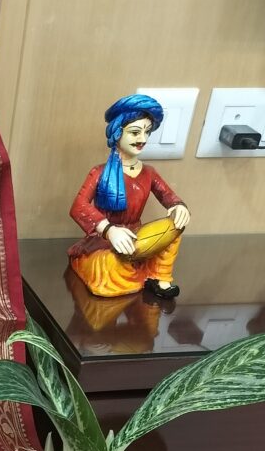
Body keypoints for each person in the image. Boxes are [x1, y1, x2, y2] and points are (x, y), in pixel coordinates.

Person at [68, 93, 190, 298]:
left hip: (138, 236)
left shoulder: (149, 172)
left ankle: (159, 276)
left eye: (147, 132)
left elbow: (168, 195)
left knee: (175, 228)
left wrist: (178, 206)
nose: (143, 139)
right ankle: (133, 270)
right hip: (105, 241)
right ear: (118, 132)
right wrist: (109, 230)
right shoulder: (99, 172)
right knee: (108, 265)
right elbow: (78, 206)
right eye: (135, 132)